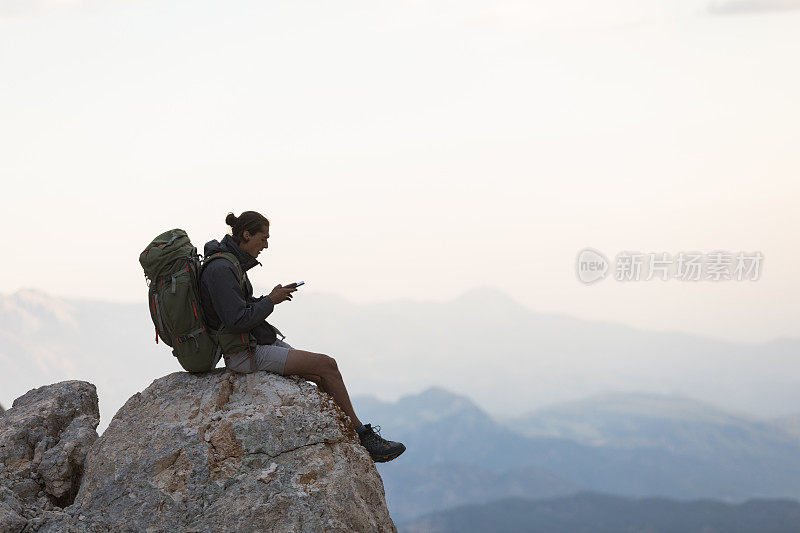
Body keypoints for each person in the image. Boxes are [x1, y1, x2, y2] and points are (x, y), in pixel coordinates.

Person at [198, 210, 406, 463]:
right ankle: (363, 436)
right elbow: (236, 319)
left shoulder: (228, 263)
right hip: (243, 353)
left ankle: (352, 433)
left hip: (252, 343)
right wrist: (271, 301)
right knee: (326, 365)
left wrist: (268, 298)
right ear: (246, 234)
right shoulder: (221, 268)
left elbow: (235, 309)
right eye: (262, 238)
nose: (266, 245)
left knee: (319, 374)